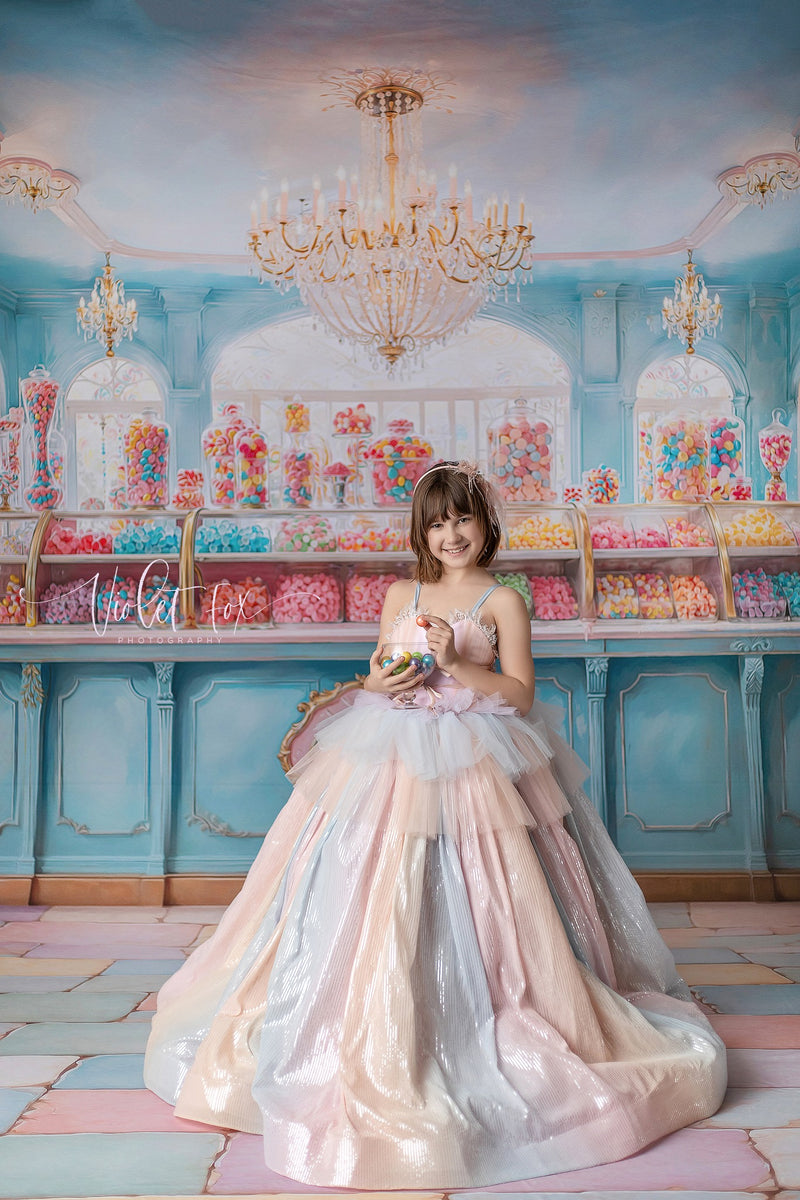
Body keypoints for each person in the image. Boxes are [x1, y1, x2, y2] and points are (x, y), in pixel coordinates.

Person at [144, 460, 726, 1190]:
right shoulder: (401, 592)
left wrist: (457, 661)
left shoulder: (505, 599)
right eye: (438, 522)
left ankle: (496, 1002)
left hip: (481, 750)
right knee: (371, 874)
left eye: (464, 518)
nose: (452, 534)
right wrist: (384, 677)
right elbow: (383, 665)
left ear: (487, 524)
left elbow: (517, 694)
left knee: (490, 889)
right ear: (422, 530)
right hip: (396, 743)